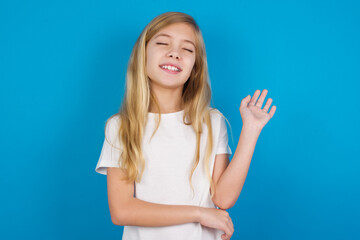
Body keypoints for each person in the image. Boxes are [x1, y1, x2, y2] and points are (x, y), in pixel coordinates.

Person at [95, 11, 276, 240]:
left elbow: (223, 198)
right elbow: (121, 211)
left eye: (187, 49)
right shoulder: (121, 127)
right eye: (162, 43)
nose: (175, 53)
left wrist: (251, 130)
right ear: (143, 56)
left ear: (195, 67)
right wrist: (199, 213)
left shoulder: (212, 122)